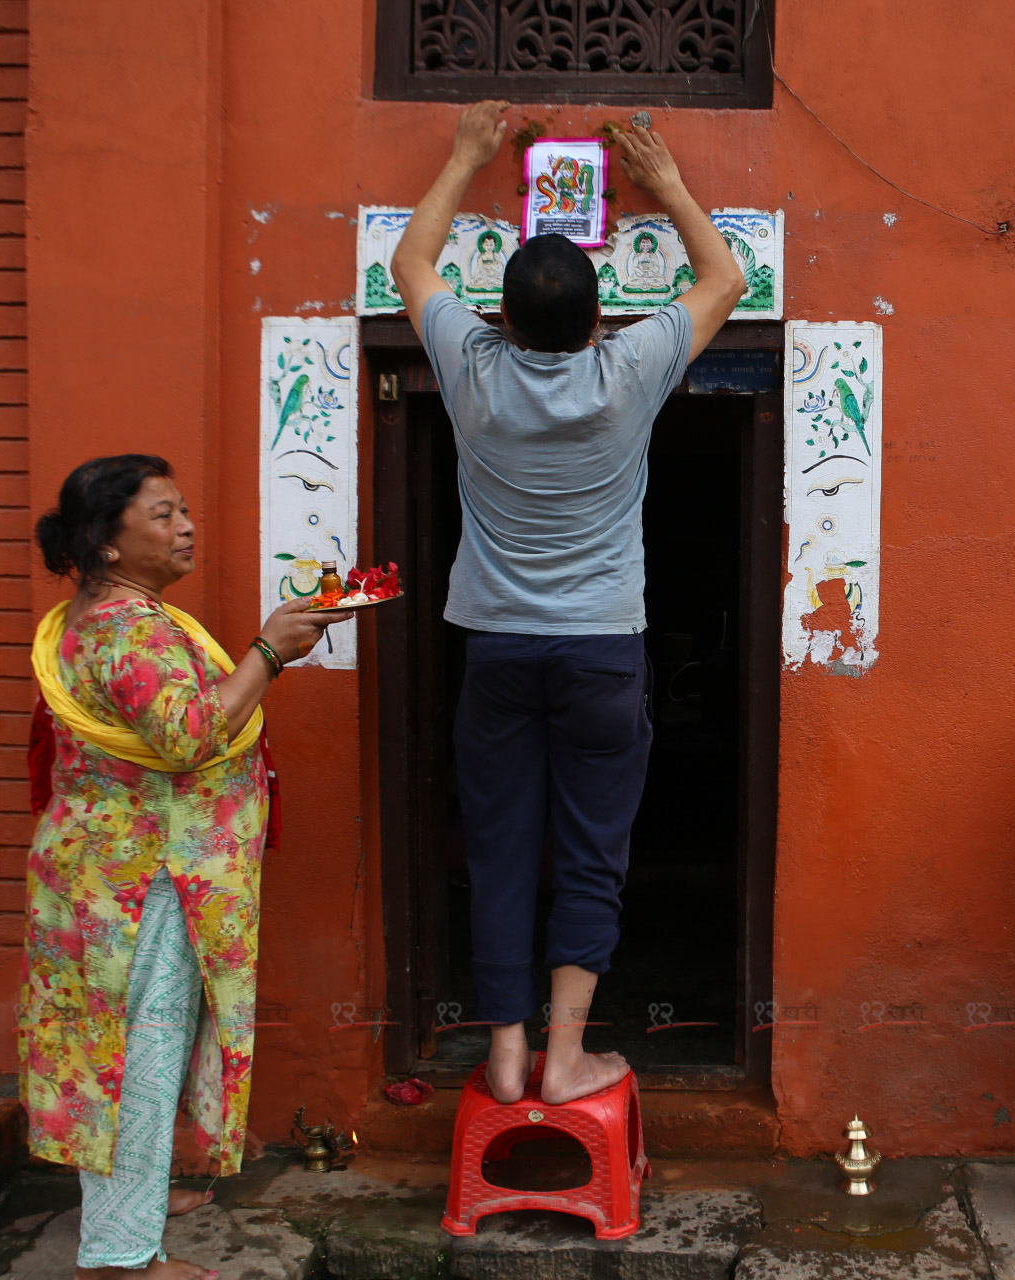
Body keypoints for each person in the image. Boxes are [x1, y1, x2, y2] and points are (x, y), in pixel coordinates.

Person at [390, 102, 745, 1106]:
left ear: (498, 319)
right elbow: (726, 281)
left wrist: (464, 157)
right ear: (600, 322)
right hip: (599, 653)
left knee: (501, 847)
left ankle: (505, 1053)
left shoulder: (472, 370)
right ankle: (565, 1054)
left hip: (497, 652)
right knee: (593, 851)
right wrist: (666, 181)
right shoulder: (627, 371)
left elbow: (410, 268)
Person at [20, 455, 344, 1280]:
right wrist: (269, 650)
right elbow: (191, 737)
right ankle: (124, 1256)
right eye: (163, 515)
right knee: (141, 1051)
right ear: (108, 542)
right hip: (142, 882)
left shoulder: (102, 615)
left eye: (185, 509)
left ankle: (137, 1195)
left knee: (125, 1046)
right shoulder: (130, 631)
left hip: (119, 873)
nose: (187, 526)